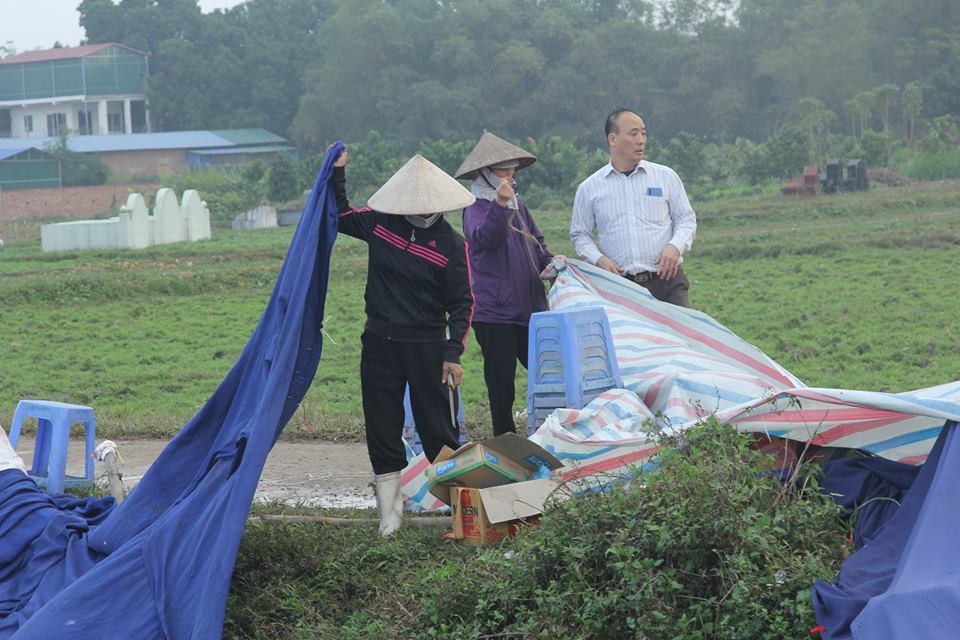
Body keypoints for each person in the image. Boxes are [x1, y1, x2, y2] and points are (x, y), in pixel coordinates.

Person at [332, 150, 475, 536]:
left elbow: (463, 303)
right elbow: (341, 215)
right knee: (382, 425)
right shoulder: (379, 224)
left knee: (437, 431)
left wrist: (453, 352)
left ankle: (466, 516)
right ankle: (390, 519)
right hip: (379, 341)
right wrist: (338, 172)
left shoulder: (450, 244)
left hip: (427, 347)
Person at [456, 132, 555, 436]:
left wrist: (550, 262)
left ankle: (551, 433)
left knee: (548, 375)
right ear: (485, 175)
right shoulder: (474, 208)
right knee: (501, 386)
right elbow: (487, 239)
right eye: (502, 171)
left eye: (512, 171)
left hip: (530, 308)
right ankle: (505, 442)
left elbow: (536, 243)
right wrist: (500, 206)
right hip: (494, 312)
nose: (509, 177)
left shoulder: (519, 207)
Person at [570, 109, 697, 307]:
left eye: (643, 133)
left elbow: (685, 218)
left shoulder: (666, 176)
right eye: (633, 133)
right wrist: (599, 259)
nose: (641, 140)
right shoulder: (589, 188)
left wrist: (675, 247)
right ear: (613, 139)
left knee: (681, 338)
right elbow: (580, 235)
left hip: (667, 283)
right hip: (620, 287)